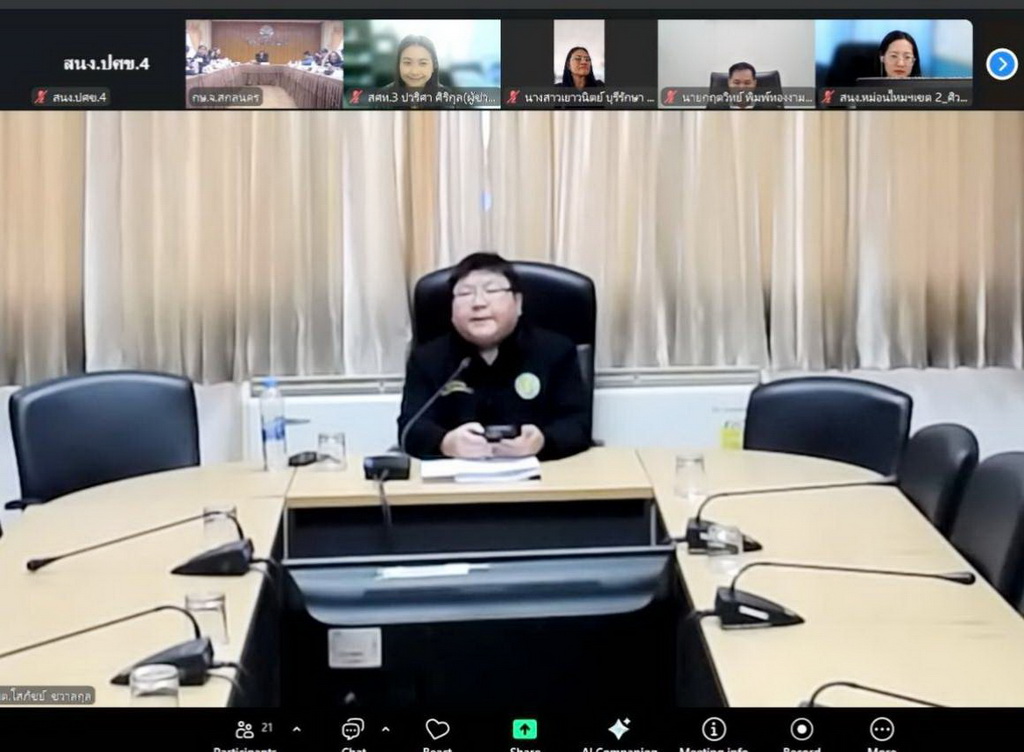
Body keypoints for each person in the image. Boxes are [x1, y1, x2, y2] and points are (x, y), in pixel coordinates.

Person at [398, 252, 591, 461]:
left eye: (491, 291)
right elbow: (410, 428)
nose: (478, 303)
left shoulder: (555, 351)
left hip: (541, 475)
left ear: (518, 303)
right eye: (465, 293)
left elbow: (578, 424)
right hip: (455, 477)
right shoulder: (427, 359)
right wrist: (445, 443)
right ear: (452, 310)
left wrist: (543, 441)